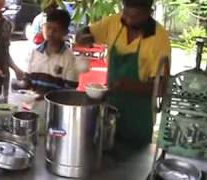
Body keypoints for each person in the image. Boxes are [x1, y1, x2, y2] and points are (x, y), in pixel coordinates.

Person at [76, 0, 171, 146]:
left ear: (148, 13)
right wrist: (82, 37)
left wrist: (127, 86)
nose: (128, 20)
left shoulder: (159, 38)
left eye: (135, 17)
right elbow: (85, 32)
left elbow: (161, 88)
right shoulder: (114, 22)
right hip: (110, 113)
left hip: (138, 121)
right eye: (126, 14)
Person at [26, 9, 79, 95]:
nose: (50, 33)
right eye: (48, 28)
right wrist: (20, 84)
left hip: (55, 106)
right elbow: (28, 82)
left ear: (65, 32)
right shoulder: (34, 53)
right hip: (33, 106)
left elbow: (70, 92)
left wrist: (46, 98)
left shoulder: (70, 59)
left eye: (55, 30)